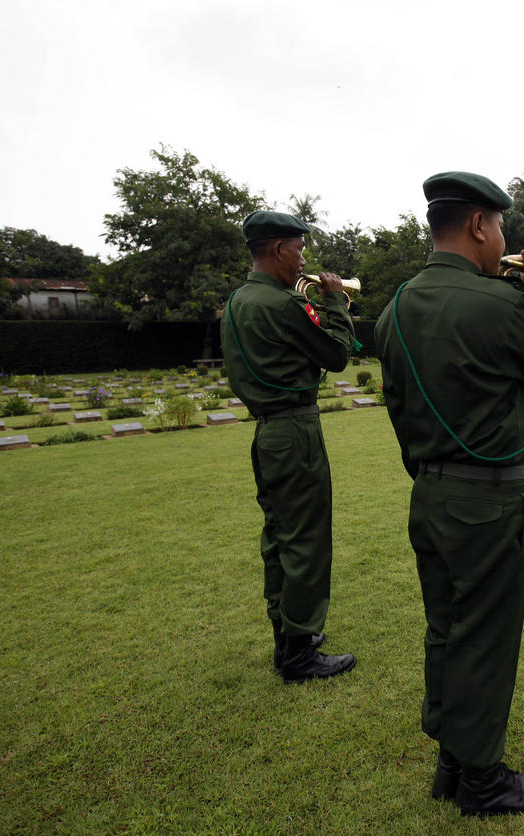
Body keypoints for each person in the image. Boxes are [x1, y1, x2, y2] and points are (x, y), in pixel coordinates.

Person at [375, 171, 524, 817]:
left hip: (429, 497)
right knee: (485, 637)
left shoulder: (395, 306)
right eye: (501, 229)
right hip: (488, 503)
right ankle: (483, 780)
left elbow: (396, 403)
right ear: (477, 225)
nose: (506, 245)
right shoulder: (499, 303)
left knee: (446, 629)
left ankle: (452, 758)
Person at [220, 210, 358, 685]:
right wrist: (337, 301)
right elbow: (337, 355)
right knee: (306, 541)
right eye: (299, 249)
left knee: (279, 538)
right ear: (278, 249)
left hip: (266, 431)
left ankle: (287, 638)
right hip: (295, 429)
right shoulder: (281, 304)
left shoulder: (239, 299)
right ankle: (300, 654)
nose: (303, 260)